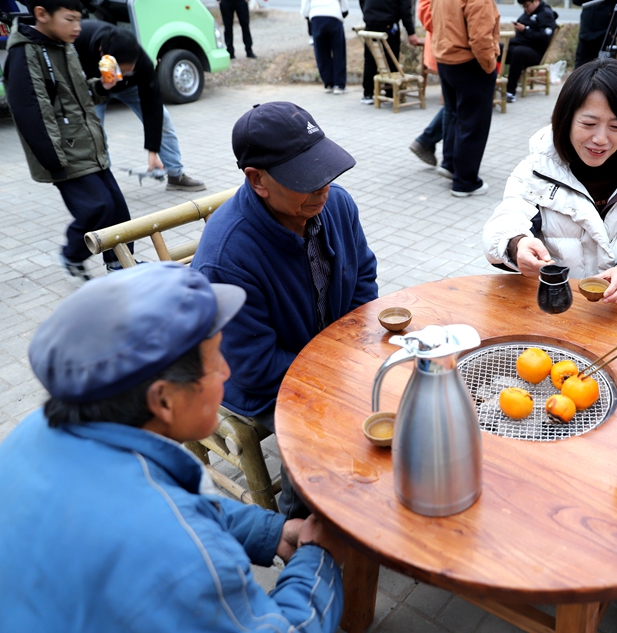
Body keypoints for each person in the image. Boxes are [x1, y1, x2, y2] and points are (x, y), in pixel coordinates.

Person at [0, 262, 345, 631]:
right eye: (216, 360)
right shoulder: (179, 556)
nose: (227, 372)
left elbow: (182, 512)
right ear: (163, 400)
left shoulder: (34, 432)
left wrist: (272, 532)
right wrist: (319, 557)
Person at [191, 101, 378, 518]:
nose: (322, 188)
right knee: (321, 435)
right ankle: (300, 525)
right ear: (257, 179)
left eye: (324, 171)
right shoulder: (227, 258)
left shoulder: (336, 205)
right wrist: (336, 378)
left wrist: (354, 348)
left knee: (400, 387)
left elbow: (363, 276)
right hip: (262, 381)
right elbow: (254, 367)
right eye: (305, 179)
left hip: (329, 355)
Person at [482, 57, 617, 302]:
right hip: (561, 304)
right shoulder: (538, 168)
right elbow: (506, 221)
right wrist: (518, 245)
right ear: (566, 119)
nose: (600, 139)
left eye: (616, 127)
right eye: (589, 123)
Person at [3, 0, 133, 280]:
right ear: (42, 14)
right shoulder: (24, 53)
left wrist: (102, 86)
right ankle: (72, 255)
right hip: (63, 152)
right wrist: (53, 159)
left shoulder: (63, 45)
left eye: (78, 20)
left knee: (118, 211)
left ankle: (120, 265)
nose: (77, 27)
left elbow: (78, 96)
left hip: (89, 146)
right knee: (97, 208)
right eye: (69, 19)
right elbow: (30, 110)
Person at [75, 20, 207, 192]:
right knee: (94, 132)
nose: (124, 75)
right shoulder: (79, 40)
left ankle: (176, 175)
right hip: (93, 87)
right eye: (121, 71)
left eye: (129, 71)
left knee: (163, 119)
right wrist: (100, 86)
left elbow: (153, 106)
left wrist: (153, 151)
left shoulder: (140, 60)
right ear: (104, 56)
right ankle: (104, 184)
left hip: (130, 89)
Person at [431, 0, 499, 197]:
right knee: (473, 123)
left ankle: (451, 164)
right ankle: (465, 182)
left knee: (456, 116)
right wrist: (489, 66)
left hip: (446, 59)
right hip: (470, 62)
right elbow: (480, 37)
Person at [408, 0, 454, 167]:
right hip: (447, 49)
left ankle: (427, 142)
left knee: (453, 104)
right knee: (453, 105)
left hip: (447, 48)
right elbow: (427, 15)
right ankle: (446, 158)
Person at [358, 0, 420, 105]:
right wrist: (411, 32)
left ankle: (368, 93)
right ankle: (390, 92)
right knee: (391, 59)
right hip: (388, 23)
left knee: (370, 60)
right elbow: (405, 8)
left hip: (371, 20)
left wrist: (368, 13)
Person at [502, 0, 558, 103]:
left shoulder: (546, 14)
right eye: (523, 7)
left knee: (518, 53)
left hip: (535, 52)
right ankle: (491, 83)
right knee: (497, 48)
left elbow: (544, 37)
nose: (525, 9)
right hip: (518, 45)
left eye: (527, 6)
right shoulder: (527, 13)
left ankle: (510, 91)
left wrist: (525, 30)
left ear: (535, 1)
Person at [302, 0, 349, 94]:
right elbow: (344, 6)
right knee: (338, 51)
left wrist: (307, 14)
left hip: (316, 16)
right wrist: (344, 11)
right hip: (334, 15)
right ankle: (339, 84)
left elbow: (305, 6)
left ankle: (328, 83)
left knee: (321, 52)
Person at [573, 0, 617, 69]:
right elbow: (576, 2)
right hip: (586, 33)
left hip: (605, 33)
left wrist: (615, 31)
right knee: (580, 67)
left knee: (606, 67)